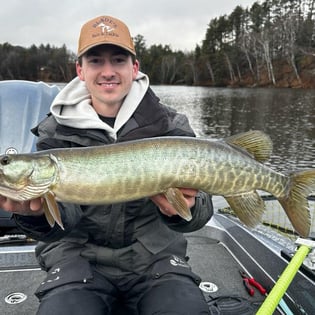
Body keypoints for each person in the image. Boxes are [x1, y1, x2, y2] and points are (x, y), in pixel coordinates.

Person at [0, 15, 213, 314]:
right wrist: (32, 215)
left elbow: (202, 207)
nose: (108, 71)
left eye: (118, 60)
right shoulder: (54, 132)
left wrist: (182, 210)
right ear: (80, 69)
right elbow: (64, 221)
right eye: (96, 61)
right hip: (78, 257)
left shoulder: (170, 126)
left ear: (134, 67)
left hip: (155, 257)